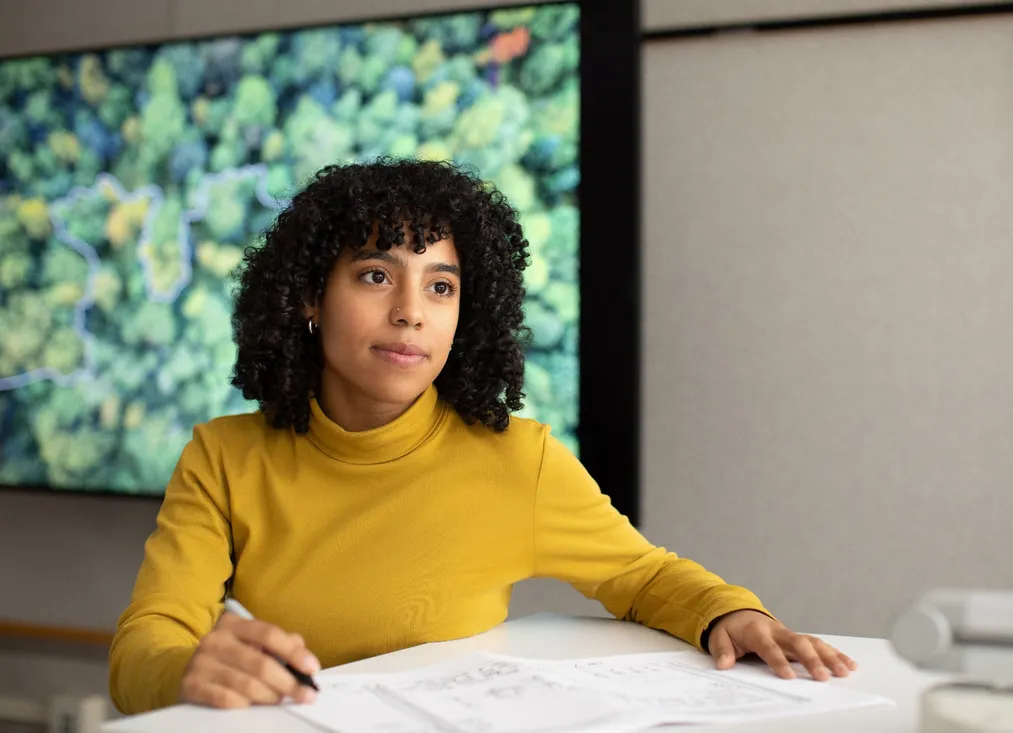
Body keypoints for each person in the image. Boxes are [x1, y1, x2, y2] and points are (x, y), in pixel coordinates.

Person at [108, 159, 857, 714]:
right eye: (376, 275)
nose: (412, 312)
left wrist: (734, 612)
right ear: (309, 295)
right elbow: (148, 639)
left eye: (441, 286)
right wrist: (186, 672)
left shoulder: (516, 460)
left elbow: (647, 577)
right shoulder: (224, 456)